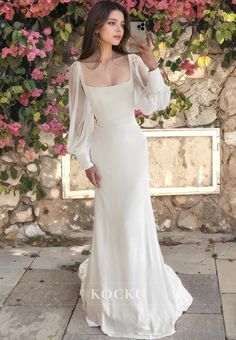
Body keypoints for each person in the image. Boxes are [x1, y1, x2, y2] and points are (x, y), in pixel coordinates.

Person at [67, 0, 193, 338]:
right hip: (104, 150)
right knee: (110, 222)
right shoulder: (79, 70)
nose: (120, 29)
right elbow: (78, 122)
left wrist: (152, 65)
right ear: (96, 28)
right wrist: (85, 161)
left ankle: (140, 298)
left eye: (122, 23)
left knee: (133, 220)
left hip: (131, 149)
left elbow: (156, 104)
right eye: (111, 23)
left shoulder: (134, 61)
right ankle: (112, 297)